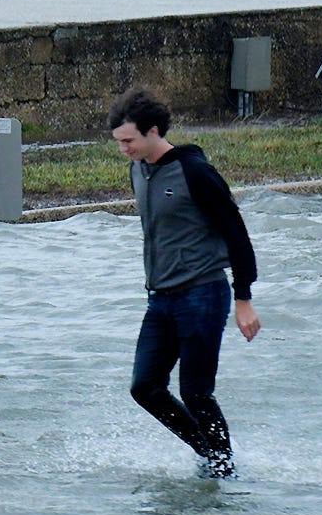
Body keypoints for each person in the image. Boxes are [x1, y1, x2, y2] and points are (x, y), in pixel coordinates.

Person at [111, 86, 260, 477]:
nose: (123, 148)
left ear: (154, 131)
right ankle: (211, 453)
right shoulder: (137, 170)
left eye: (128, 140)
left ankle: (222, 470)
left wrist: (243, 297)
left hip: (203, 294)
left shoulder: (195, 173)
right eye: (119, 142)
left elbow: (236, 233)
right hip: (160, 300)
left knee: (195, 392)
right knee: (144, 388)